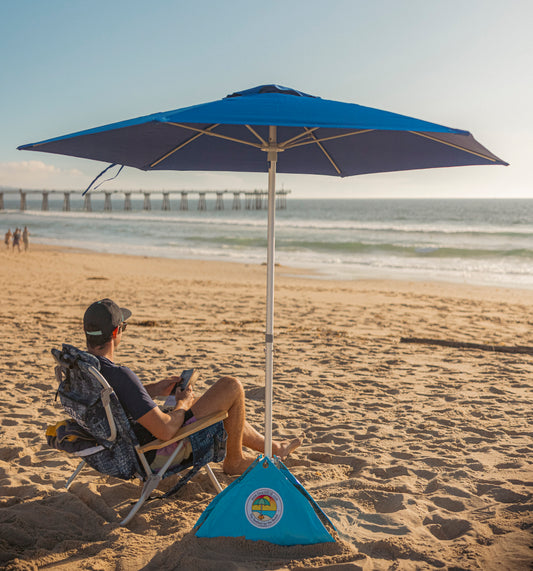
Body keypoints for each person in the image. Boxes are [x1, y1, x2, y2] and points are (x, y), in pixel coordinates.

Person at [83, 298, 301, 475]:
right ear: (114, 333)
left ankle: (274, 448)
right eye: (123, 327)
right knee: (231, 386)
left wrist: (156, 389)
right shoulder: (121, 375)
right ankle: (234, 461)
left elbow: (113, 396)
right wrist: (182, 404)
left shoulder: (86, 371)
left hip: (123, 441)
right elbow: (167, 431)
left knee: (208, 403)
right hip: (152, 452)